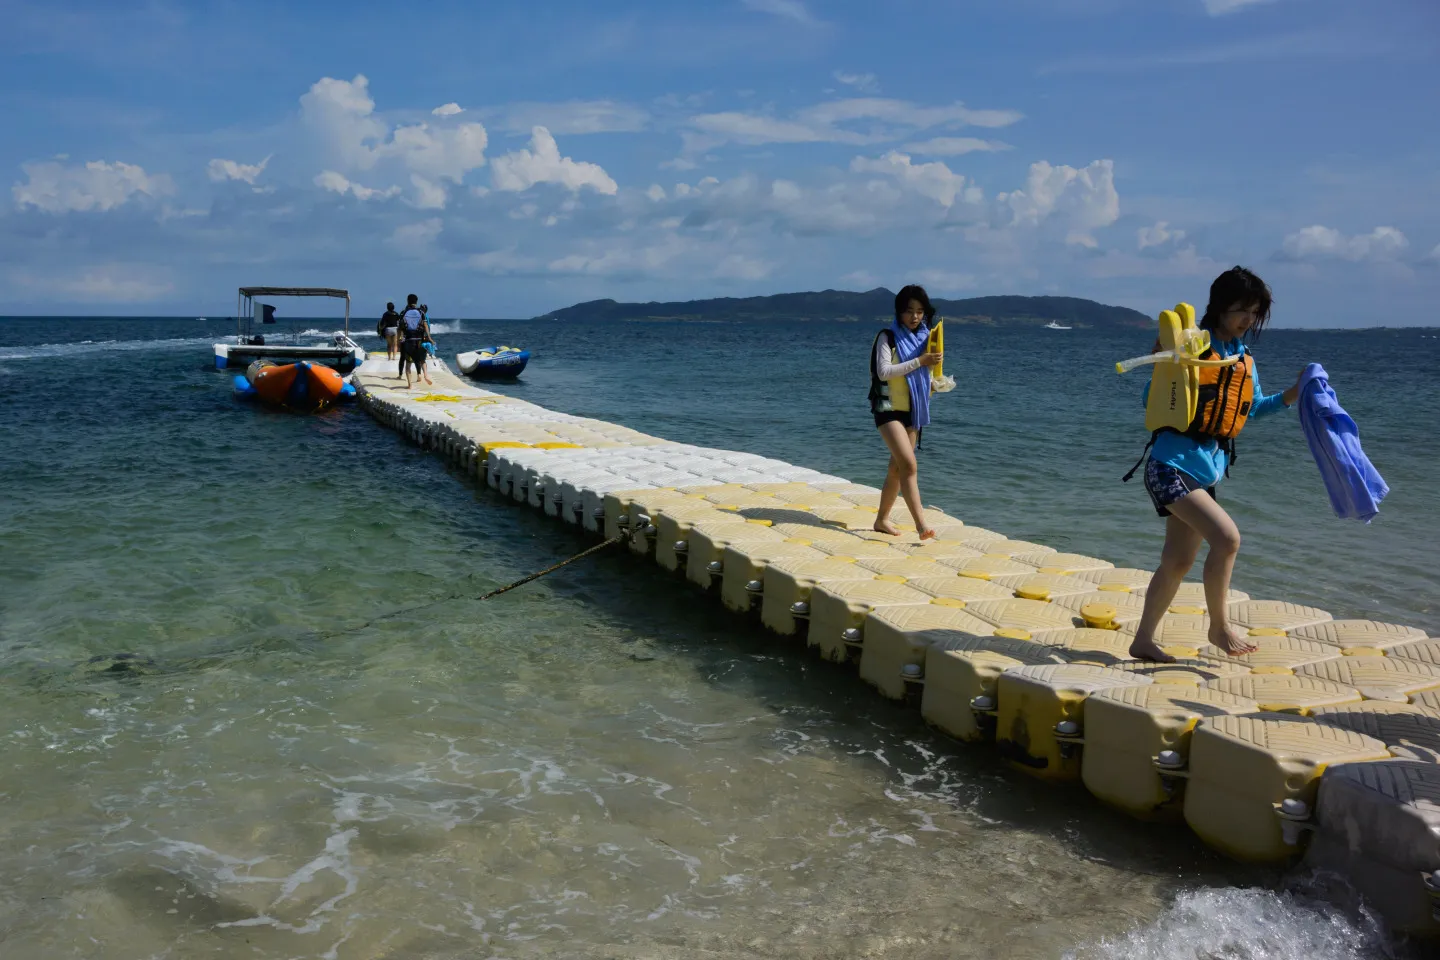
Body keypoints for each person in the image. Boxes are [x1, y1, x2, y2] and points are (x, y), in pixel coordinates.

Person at [1126, 267, 1305, 661]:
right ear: (1220, 307)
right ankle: (1219, 627)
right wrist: (1163, 364)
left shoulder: (1243, 359)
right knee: (1227, 539)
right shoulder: (1193, 346)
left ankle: (1142, 641)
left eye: (1254, 312)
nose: (1247, 319)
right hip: (1168, 465)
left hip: (1204, 473)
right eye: (1241, 309)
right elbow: (1150, 400)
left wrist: (1295, 392)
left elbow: (1253, 408)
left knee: (1178, 560)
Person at [868, 284, 943, 540]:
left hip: (912, 411)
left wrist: (934, 383)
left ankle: (881, 520)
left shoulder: (925, 340)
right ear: (899, 311)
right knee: (909, 465)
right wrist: (920, 361)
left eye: (920, 311)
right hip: (887, 408)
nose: (914, 317)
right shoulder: (886, 338)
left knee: (896, 469)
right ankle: (922, 525)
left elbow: (924, 377)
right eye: (909, 311)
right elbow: (884, 372)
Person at [397, 294, 433, 388]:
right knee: (422, 360)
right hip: (419, 340)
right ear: (416, 301)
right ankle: (425, 375)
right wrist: (429, 338)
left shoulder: (403, 312)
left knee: (408, 364)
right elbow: (425, 326)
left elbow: (400, 328)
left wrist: (398, 341)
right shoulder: (421, 312)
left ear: (407, 301)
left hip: (408, 340)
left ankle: (410, 385)